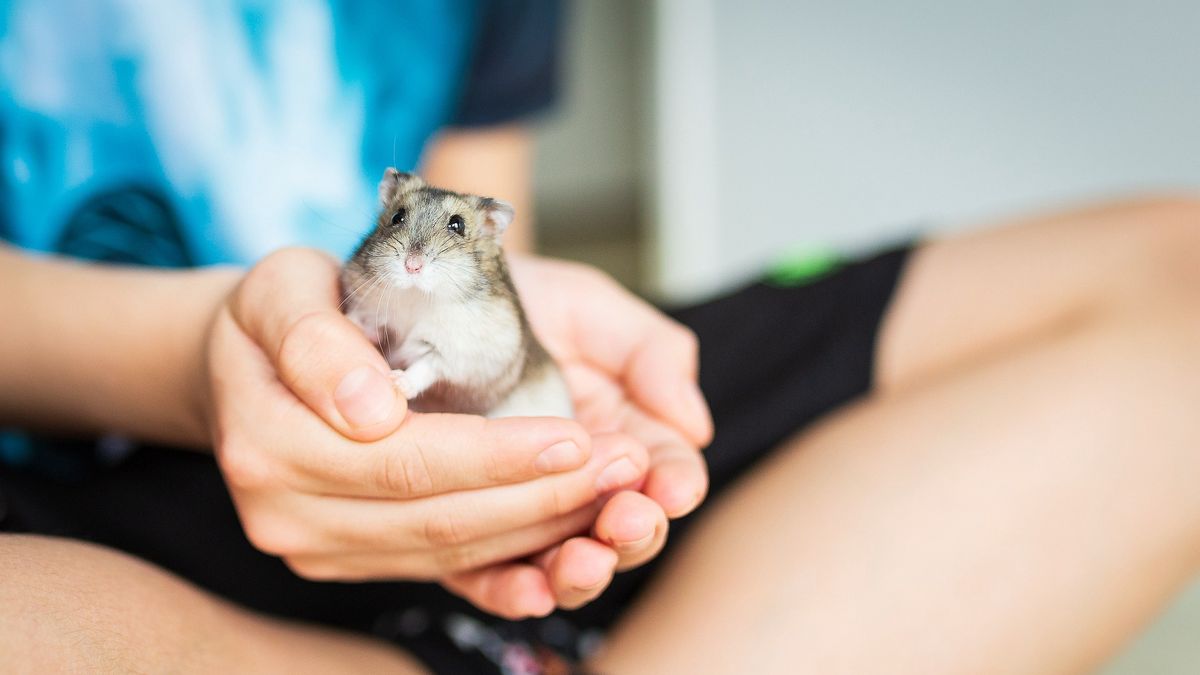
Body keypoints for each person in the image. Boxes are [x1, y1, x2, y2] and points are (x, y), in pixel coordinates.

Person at [2, 2, 1199, 673]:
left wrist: (522, 340)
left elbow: (485, 237)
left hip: (466, 452)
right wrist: (197, 357)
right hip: (84, 477)